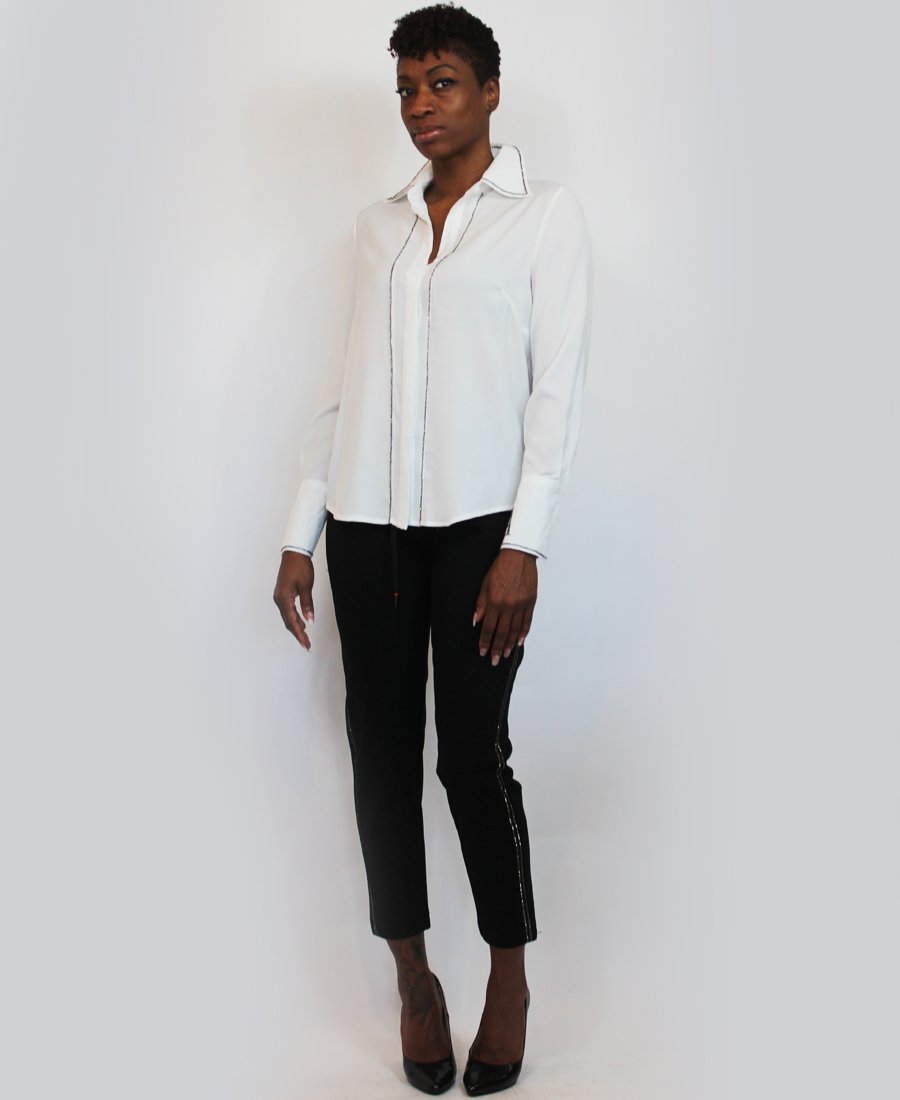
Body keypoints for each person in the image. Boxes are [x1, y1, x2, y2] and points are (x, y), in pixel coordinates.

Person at [273, 4, 592, 1094]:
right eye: (407, 88)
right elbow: (343, 386)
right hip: (368, 527)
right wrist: (302, 530)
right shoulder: (380, 228)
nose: (420, 105)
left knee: (470, 754)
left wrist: (525, 542)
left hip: (478, 533)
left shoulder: (544, 217)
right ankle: (413, 977)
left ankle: (510, 974)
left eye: (442, 82)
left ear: (491, 90)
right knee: (379, 752)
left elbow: (556, 393)